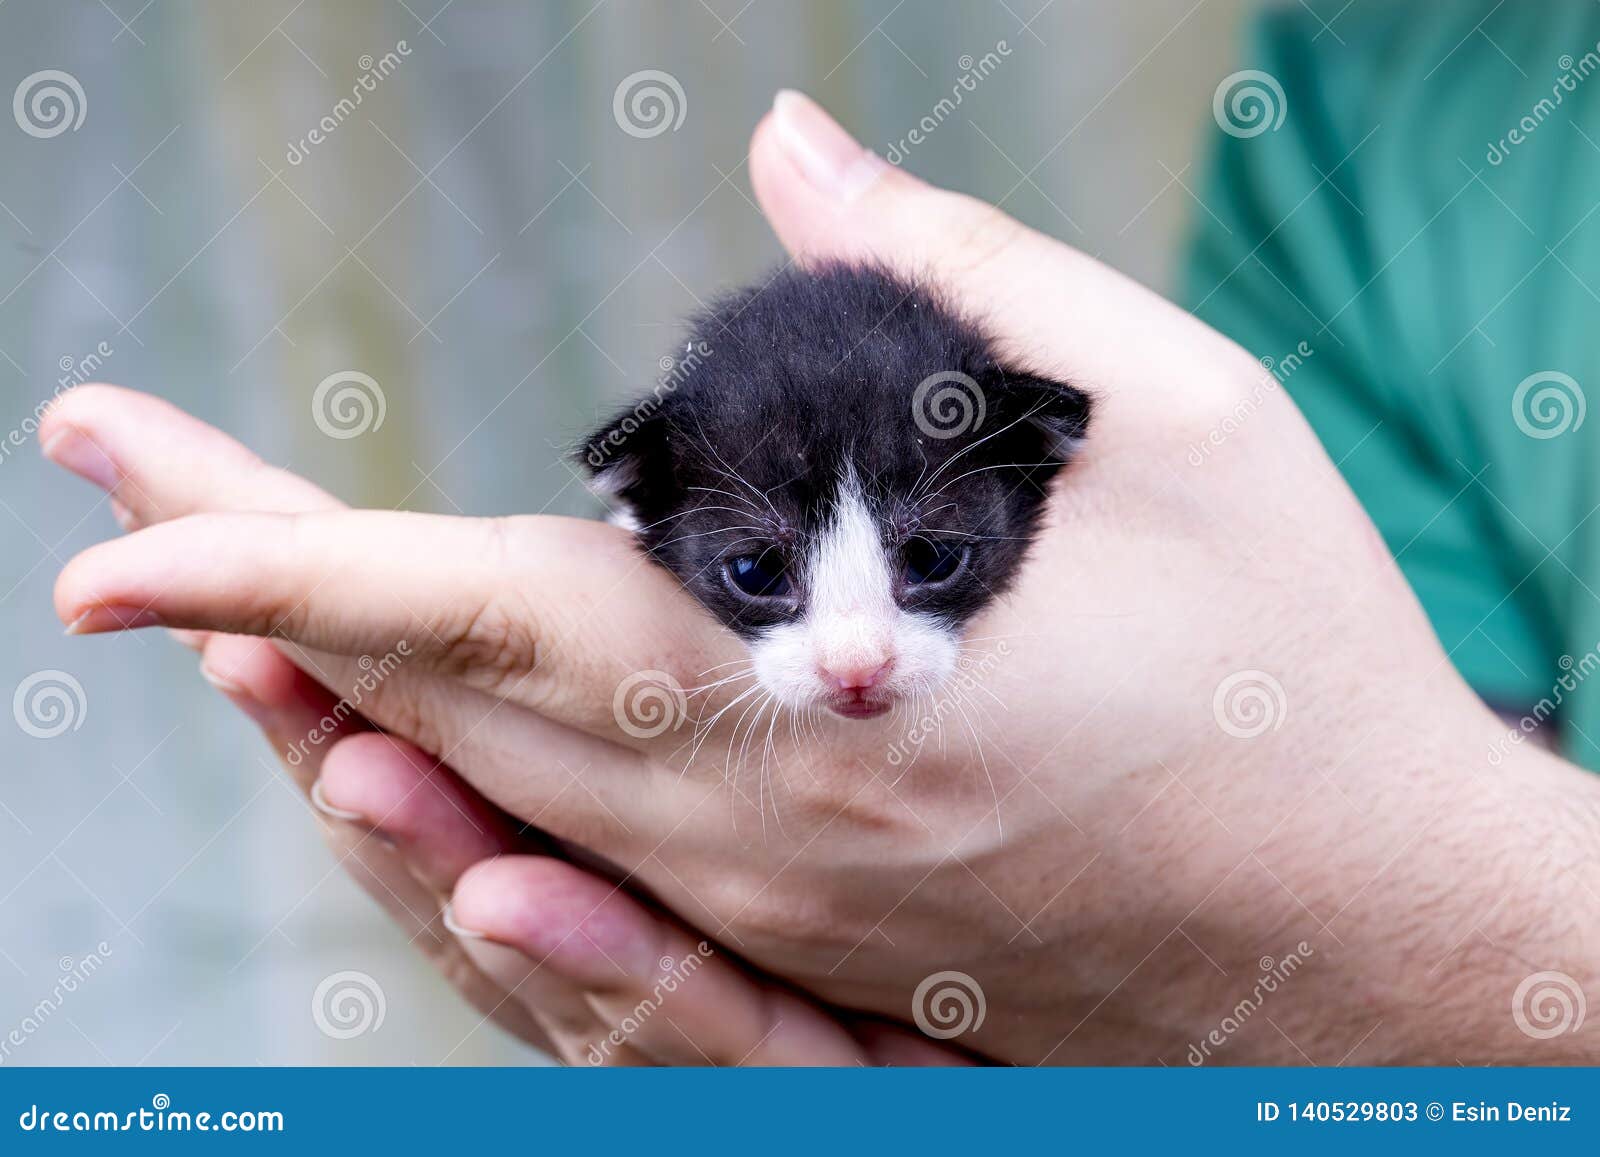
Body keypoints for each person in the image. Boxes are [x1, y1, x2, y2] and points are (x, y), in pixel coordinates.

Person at [41, 59, 1600, 1064]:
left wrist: (1413, 954)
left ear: (1035, 468)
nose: (853, 654)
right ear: (644, 516)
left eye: (929, 556)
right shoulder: (1384, 68)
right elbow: (1462, 717)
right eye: (762, 578)